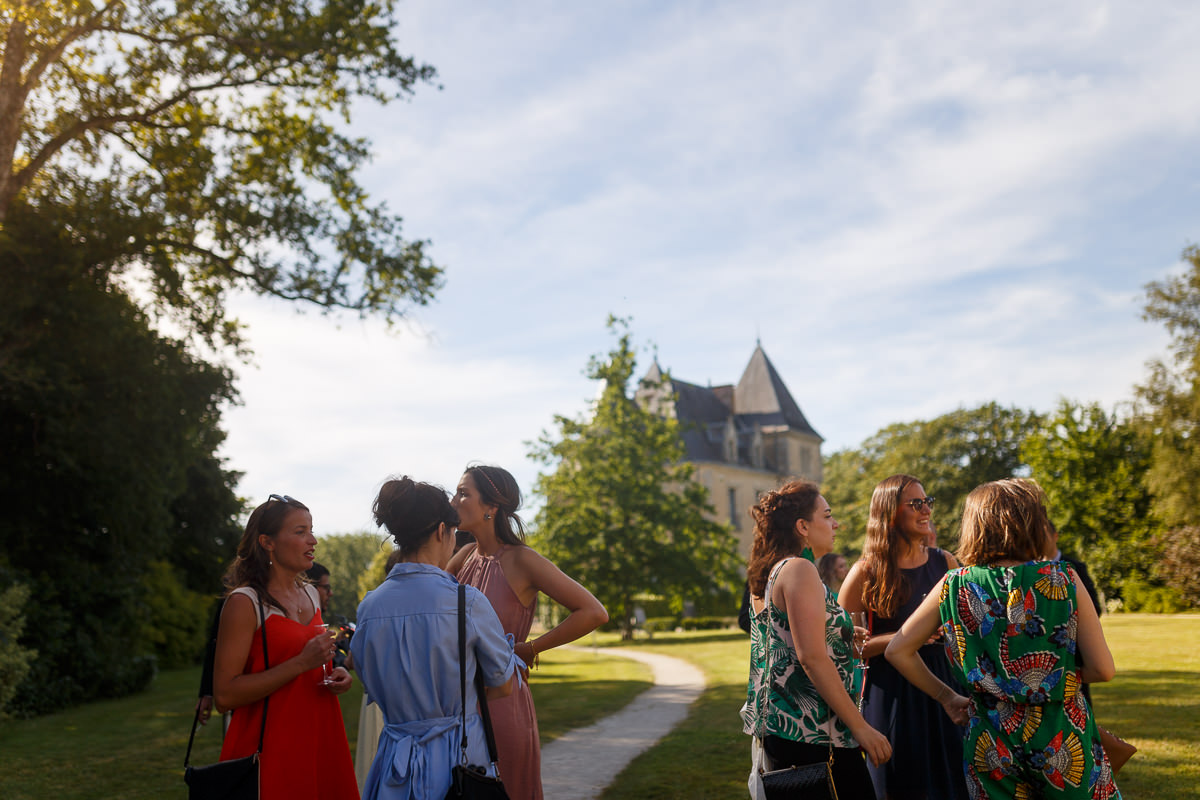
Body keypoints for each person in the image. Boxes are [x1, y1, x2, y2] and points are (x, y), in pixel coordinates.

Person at [886, 478, 1121, 799]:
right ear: (1032, 523)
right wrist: (1054, 682)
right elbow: (1103, 669)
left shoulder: (953, 584)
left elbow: (897, 650)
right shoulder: (1062, 577)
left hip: (991, 741)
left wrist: (948, 697)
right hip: (1062, 736)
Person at [446, 464, 609, 800]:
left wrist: (532, 648)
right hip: (456, 702)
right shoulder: (462, 558)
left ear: (492, 507)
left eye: (463, 493)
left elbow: (593, 612)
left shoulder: (523, 560)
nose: (453, 501)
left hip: (503, 702)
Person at [351, 476, 520, 799]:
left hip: (394, 767)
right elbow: (502, 685)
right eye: (454, 534)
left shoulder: (369, 607)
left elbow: (369, 683)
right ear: (443, 531)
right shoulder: (465, 601)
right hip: (459, 764)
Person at [740, 480, 891, 798]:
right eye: (827, 515)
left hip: (788, 737)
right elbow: (811, 657)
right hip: (818, 738)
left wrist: (841, 639)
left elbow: (788, 645)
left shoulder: (771, 572)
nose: (836, 523)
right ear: (802, 526)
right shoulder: (799, 569)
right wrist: (861, 727)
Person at [213, 494, 358, 800]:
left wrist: (337, 672)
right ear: (267, 542)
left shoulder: (311, 594)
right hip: (270, 746)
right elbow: (224, 696)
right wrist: (300, 664)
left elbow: (315, 665)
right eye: (300, 532)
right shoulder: (244, 602)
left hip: (320, 736)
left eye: (312, 530)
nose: (313, 540)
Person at [838, 474, 969, 799]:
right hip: (893, 698)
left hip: (947, 690)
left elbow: (965, 627)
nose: (926, 510)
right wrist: (905, 637)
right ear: (889, 513)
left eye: (927, 502)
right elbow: (841, 647)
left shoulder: (946, 562)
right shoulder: (865, 573)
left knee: (954, 785)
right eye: (916, 504)